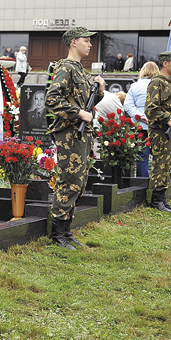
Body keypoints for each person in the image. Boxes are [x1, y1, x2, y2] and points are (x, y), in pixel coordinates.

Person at [45, 26, 104, 250]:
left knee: (79, 183)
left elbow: (85, 105)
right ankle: (57, 233)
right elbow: (52, 99)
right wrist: (78, 113)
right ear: (73, 43)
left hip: (82, 134)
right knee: (69, 181)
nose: (90, 45)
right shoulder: (66, 68)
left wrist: (98, 93)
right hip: (69, 134)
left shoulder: (80, 70)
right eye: (86, 41)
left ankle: (66, 231)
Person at [145, 51, 171, 213]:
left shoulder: (168, 82)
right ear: (165, 64)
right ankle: (156, 200)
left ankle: (162, 198)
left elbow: (168, 105)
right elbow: (150, 109)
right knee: (160, 163)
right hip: (161, 130)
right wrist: (167, 119)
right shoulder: (157, 82)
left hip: (168, 131)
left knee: (167, 164)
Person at [125, 61, 159, 177]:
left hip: (140, 126)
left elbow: (128, 106)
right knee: (159, 157)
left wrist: (140, 116)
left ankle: (142, 183)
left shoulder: (135, 86)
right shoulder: (160, 86)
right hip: (157, 126)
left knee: (142, 156)